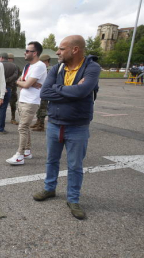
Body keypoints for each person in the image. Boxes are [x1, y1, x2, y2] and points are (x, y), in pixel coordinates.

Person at [32, 35, 100, 220]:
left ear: (75, 49)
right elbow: (45, 92)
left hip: (77, 126)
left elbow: (82, 91)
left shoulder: (92, 68)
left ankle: (73, 199)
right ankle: (49, 189)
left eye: (61, 48)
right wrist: (69, 92)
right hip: (54, 123)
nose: (57, 52)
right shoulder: (57, 67)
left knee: (75, 165)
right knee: (51, 160)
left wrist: (58, 89)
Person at [6, 41, 47, 165]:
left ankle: (19, 155)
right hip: (23, 99)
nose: (25, 52)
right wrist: (24, 82)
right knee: (26, 127)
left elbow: (26, 84)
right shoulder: (27, 66)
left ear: (35, 53)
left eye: (28, 51)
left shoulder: (39, 65)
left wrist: (26, 82)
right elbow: (21, 81)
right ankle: (27, 151)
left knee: (22, 127)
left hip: (31, 102)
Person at [0, 53, 18, 134]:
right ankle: (1, 129)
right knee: (3, 109)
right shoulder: (14, 66)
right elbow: (15, 76)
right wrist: (6, 81)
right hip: (8, 88)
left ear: (1, 57)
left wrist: (2, 82)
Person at [31, 54, 52, 132]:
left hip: (45, 92)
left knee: (43, 108)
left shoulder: (49, 70)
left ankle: (41, 125)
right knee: (39, 108)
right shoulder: (43, 69)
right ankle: (38, 122)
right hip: (40, 91)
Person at [7, 53, 20, 125]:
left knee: (13, 103)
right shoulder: (3, 66)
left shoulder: (16, 67)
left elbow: (18, 76)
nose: (9, 60)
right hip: (5, 87)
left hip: (13, 88)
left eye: (10, 59)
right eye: (8, 58)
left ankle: (13, 118)